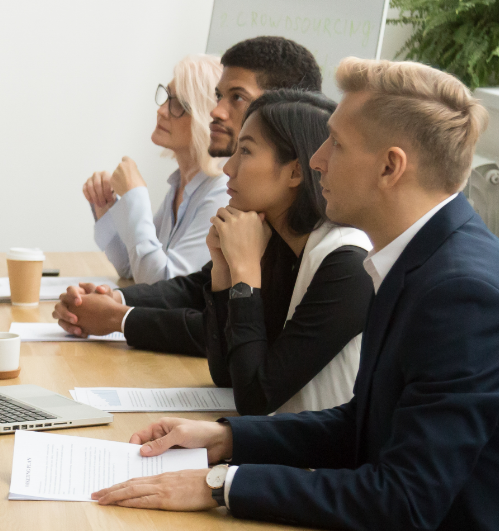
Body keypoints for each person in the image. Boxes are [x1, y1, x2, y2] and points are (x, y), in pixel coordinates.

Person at [91, 59, 499, 531]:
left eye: (336, 144)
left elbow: (404, 500)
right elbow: (363, 425)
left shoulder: (464, 295)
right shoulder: (418, 257)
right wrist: (226, 438)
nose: (317, 158)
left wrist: (221, 486)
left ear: (390, 167)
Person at [57, 90, 373, 414]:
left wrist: (245, 274)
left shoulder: (347, 265)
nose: (228, 169)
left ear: (295, 172)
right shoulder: (276, 242)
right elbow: (226, 376)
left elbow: (254, 398)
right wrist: (224, 270)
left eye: (245, 152)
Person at [67, 36, 325, 356]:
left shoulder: (327, 253)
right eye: (218, 96)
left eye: (237, 98)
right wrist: (115, 302)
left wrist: (118, 317)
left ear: (284, 108)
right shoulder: (249, 209)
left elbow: (235, 353)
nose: (216, 111)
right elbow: (191, 290)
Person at [83, 55, 228, 285]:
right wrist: (107, 206)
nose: (161, 111)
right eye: (166, 97)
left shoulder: (220, 194)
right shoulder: (182, 184)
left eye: (179, 104)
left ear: (205, 117)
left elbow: (164, 285)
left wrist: (135, 197)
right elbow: (132, 267)